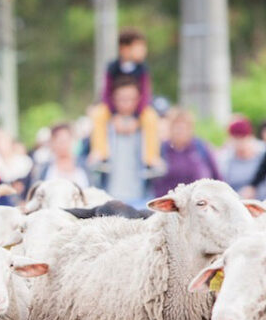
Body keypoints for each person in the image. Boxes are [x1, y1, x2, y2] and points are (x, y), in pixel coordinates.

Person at [90, 28, 160, 171]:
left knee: (151, 117)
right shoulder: (113, 67)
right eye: (139, 47)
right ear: (125, 49)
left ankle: (150, 158)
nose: (143, 51)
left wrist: (136, 116)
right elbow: (107, 92)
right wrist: (114, 114)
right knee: (98, 114)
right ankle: (101, 154)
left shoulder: (142, 68)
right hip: (114, 107)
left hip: (137, 109)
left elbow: (146, 94)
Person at [154, 109, 221, 199]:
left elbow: (216, 175)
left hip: (198, 201)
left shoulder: (200, 147)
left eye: (183, 128)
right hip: (170, 203)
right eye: (176, 127)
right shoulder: (162, 149)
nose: (179, 131)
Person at [35, 123, 90, 189]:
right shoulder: (45, 169)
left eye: (66, 140)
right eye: (60, 141)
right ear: (52, 143)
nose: (63, 145)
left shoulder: (84, 166)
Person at [217, 117, 265, 194]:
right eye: (236, 138)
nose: (240, 142)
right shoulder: (226, 160)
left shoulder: (262, 154)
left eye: (243, 137)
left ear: (250, 136)